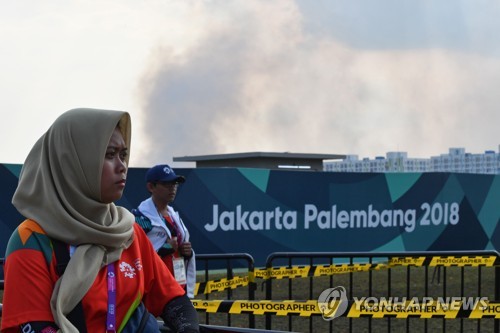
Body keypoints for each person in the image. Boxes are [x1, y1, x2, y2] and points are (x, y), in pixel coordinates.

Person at [1, 108, 199, 333]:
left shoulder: (128, 232)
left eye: (123, 154)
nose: (122, 166)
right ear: (73, 162)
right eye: (109, 154)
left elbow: (174, 302)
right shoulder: (31, 239)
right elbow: (34, 326)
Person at [132, 165, 196, 298]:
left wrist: (187, 252)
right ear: (151, 187)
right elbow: (136, 256)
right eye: (166, 183)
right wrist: (165, 249)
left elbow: (180, 249)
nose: (172, 187)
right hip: (154, 291)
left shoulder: (174, 215)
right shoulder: (140, 218)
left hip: (178, 286)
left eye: (175, 183)